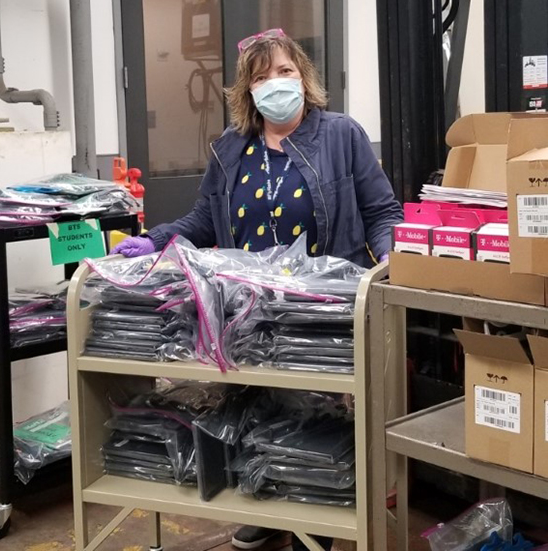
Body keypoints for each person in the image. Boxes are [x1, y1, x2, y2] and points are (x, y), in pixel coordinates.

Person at [113, 29, 403, 551]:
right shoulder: (231, 148)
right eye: (262, 76)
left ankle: (316, 517)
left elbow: (381, 210)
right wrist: (152, 241)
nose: (275, 84)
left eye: (285, 72)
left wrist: (390, 255)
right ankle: (268, 500)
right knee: (257, 412)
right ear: (247, 90)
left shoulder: (341, 135)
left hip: (318, 313)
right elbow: (205, 218)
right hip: (248, 315)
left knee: (321, 415)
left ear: (305, 78)